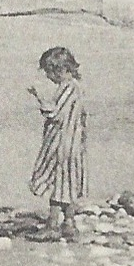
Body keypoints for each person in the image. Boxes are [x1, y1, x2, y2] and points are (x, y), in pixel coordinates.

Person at [27, 46, 87, 242]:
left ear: (60, 70)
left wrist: (38, 96)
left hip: (62, 144)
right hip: (74, 143)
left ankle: (53, 224)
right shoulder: (76, 87)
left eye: (49, 72)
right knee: (68, 184)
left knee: (57, 182)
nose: (48, 77)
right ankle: (69, 224)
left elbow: (53, 112)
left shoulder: (68, 88)